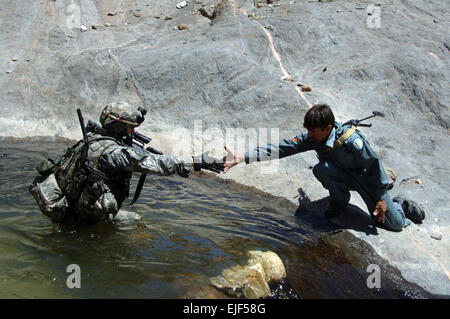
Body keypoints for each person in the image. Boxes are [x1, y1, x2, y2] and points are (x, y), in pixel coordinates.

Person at [222, 104, 425, 232]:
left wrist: (381, 198)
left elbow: (374, 166)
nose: (308, 135)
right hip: (342, 175)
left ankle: (401, 205)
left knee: (393, 224)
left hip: (367, 179)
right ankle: (339, 201)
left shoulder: (352, 141)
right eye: (307, 130)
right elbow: (279, 149)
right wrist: (241, 158)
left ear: (328, 129)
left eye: (313, 131)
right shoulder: (312, 137)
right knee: (322, 168)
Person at [30, 102, 224, 225]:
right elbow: (158, 163)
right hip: (82, 218)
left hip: (70, 206)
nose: (132, 133)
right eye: (130, 129)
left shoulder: (91, 139)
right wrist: (196, 162)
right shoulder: (113, 153)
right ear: (120, 128)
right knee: (138, 224)